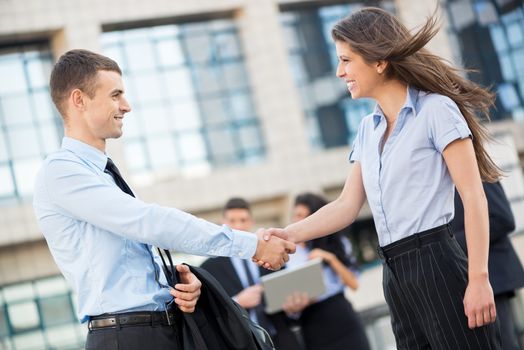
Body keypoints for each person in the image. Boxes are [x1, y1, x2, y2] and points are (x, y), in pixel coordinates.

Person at [258, 7, 503, 349]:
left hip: (438, 263)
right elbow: (345, 206)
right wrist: (287, 234)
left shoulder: (436, 110)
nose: (339, 71)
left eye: (346, 60)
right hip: (394, 273)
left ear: (379, 61)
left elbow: (473, 196)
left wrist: (479, 277)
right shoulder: (367, 130)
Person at [32, 49, 295, 350]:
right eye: (115, 95)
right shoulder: (62, 172)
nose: (126, 106)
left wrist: (178, 285)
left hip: (156, 330)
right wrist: (252, 245)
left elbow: (128, 256)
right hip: (126, 337)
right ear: (79, 100)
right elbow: (149, 223)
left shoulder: (102, 175)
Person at [201, 198, 302, 350]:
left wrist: (294, 308)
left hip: (280, 339)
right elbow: (208, 312)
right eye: (232, 221)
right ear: (223, 223)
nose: (238, 226)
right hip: (239, 343)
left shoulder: (273, 255)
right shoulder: (209, 268)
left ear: (251, 222)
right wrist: (238, 302)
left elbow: (289, 295)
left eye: (243, 220)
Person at [282, 193, 370, 350]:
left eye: (303, 216)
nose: (297, 221)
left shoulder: (335, 243)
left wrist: (330, 258)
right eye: (295, 216)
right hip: (311, 324)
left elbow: (354, 284)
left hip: (341, 317)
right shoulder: (288, 252)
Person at [452, 181, 524, 350]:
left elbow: (504, 218)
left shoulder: (472, 166)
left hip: (492, 280)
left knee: (503, 344)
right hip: (467, 283)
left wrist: (450, 244)